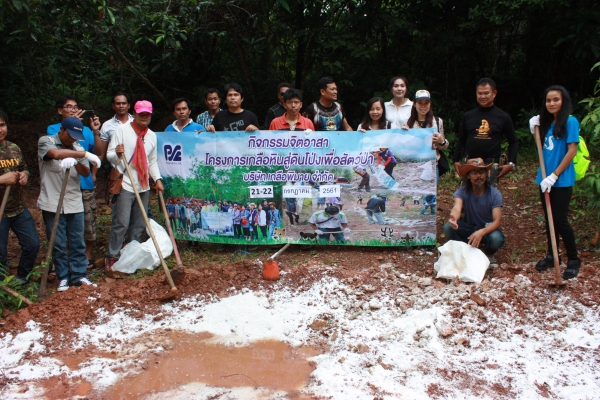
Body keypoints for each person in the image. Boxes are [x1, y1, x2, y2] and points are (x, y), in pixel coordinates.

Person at [38, 117, 101, 291]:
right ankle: (63, 277)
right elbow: (55, 154)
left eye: (76, 136)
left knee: (77, 241)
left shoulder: (78, 147)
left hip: (74, 200)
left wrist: (77, 162)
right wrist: (83, 155)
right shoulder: (46, 141)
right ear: (62, 130)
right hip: (52, 200)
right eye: (70, 134)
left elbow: (86, 172)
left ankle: (79, 275)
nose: (73, 139)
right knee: (57, 243)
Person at [529, 85, 581, 279]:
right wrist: (533, 129)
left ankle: (573, 259)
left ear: (563, 101)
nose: (551, 103)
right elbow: (542, 148)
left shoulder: (570, 121)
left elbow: (572, 151)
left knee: (560, 219)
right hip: (544, 178)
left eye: (556, 99)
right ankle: (552, 255)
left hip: (561, 179)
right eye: (548, 100)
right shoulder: (544, 124)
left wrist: (554, 175)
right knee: (549, 218)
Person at [105, 100, 164, 272]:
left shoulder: (152, 136)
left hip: (143, 185)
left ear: (150, 115)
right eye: (141, 113)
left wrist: (157, 179)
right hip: (125, 182)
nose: (144, 116)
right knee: (121, 222)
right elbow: (109, 155)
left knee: (139, 223)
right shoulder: (122, 130)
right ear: (135, 114)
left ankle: (132, 254)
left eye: (147, 114)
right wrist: (117, 154)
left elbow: (152, 162)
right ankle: (112, 255)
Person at [47, 95, 100, 269]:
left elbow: (97, 153)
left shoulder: (85, 131)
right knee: (61, 224)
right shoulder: (53, 129)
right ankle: (60, 263)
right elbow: (56, 149)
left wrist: (95, 131)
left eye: (76, 107)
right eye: (68, 106)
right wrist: (72, 124)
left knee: (87, 222)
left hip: (84, 182)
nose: (73, 110)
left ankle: (84, 258)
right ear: (59, 110)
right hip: (62, 183)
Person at [0, 110, 40, 286]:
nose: (0, 129)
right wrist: (2, 180)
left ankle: (21, 279)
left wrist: (25, 175)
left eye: (2, 125)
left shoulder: (14, 148)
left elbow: (24, 168)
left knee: (32, 244)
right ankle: (2, 289)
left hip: (17, 208)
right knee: (0, 254)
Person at [453, 78, 518, 182]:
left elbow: (513, 141)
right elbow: (461, 139)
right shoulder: (468, 116)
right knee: (466, 191)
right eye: (480, 93)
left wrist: (511, 163)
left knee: (490, 192)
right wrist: (456, 160)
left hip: (491, 165)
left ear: (494, 93)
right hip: (469, 163)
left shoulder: (503, 117)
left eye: (486, 93)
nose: (482, 96)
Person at [443, 158, 504, 267]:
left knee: (496, 238)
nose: (478, 176)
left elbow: (497, 221)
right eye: (474, 172)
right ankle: (462, 252)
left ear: (486, 174)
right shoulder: (462, 191)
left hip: (487, 229)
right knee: (448, 227)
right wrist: (454, 219)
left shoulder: (494, 194)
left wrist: (482, 232)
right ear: (468, 176)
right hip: (469, 228)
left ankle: (488, 254)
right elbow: (457, 208)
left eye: (481, 172)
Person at [403, 90, 449, 179]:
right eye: (420, 103)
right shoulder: (408, 123)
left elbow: (444, 146)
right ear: (414, 104)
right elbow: (404, 147)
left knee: (429, 187)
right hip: (414, 165)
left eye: (426, 103)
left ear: (430, 104)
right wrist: (404, 135)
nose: (423, 106)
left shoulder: (437, 121)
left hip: (432, 165)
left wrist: (441, 141)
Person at [97, 93, 134, 161]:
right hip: (116, 165)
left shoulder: (136, 122)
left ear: (129, 105)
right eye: (118, 103)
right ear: (113, 106)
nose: (121, 106)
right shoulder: (107, 125)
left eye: (124, 103)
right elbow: (101, 153)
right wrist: (96, 166)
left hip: (136, 165)